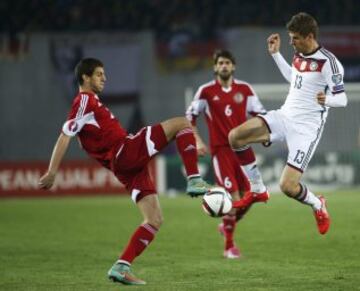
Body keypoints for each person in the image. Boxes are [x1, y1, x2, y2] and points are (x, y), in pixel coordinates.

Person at [38, 58, 210, 285]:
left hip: (124, 167)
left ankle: (121, 266)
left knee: (154, 219)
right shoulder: (83, 100)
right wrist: (52, 172)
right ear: (85, 78)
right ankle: (194, 179)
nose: (104, 78)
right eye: (99, 74)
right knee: (182, 123)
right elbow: (65, 135)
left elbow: (82, 138)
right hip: (124, 151)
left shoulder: (92, 103)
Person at [229, 12, 348, 235]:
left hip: (306, 130)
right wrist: (275, 55)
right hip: (284, 116)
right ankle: (257, 189)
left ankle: (317, 204)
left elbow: (343, 98)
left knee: (287, 187)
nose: (291, 42)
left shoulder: (329, 63)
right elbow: (294, 79)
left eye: (295, 38)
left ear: (309, 36)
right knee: (236, 137)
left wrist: (327, 100)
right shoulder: (298, 55)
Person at [186, 50, 269, 259]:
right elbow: (190, 117)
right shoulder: (205, 91)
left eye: (227, 63)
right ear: (215, 67)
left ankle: (226, 225)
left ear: (233, 66)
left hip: (242, 151)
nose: (224, 66)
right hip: (221, 152)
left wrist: (265, 134)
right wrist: (196, 140)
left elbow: (262, 115)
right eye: (220, 63)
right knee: (232, 198)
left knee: (251, 196)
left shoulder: (245, 90)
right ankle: (229, 247)